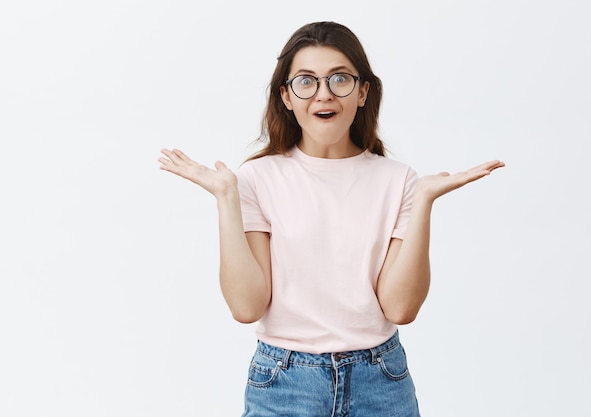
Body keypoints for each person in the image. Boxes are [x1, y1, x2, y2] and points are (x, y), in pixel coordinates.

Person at [159, 21, 504, 417]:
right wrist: (225, 197)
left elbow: (401, 309)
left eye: (339, 79)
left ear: (362, 92)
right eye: (306, 81)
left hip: (380, 380)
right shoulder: (257, 178)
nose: (324, 94)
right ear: (286, 96)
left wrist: (424, 199)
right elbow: (247, 306)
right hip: (283, 382)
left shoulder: (399, 180)